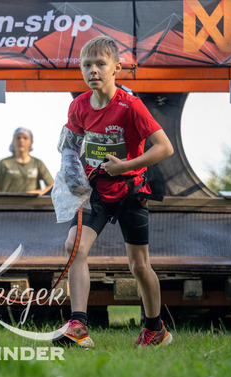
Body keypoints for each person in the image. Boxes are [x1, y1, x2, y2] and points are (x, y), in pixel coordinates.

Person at [52, 36, 174, 348]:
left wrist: (125, 166)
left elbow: (164, 148)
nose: (93, 70)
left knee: (139, 266)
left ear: (117, 68)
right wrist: (70, 174)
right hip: (94, 191)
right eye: (86, 65)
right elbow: (70, 146)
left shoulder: (131, 105)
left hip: (130, 191)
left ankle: (155, 330)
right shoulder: (78, 106)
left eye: (100, 64)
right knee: (74, 247)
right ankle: (78, 325)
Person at [0, 127, 54, 194]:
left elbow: (52, 186)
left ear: (31, 142)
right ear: (13, 141)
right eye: (18, 138)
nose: (21, 141)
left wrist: (37, 193)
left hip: (32, 201)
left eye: (25, 138)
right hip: (9, 200)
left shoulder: (37, 163)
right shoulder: (4, 163)